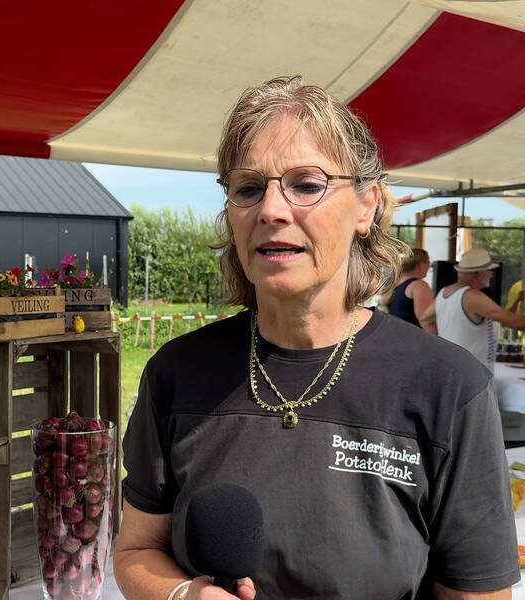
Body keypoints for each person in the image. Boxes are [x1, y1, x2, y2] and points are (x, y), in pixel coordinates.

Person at [114, 76, 518, 600]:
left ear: (366, 206)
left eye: (306, 184)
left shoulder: (447, 387)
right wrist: (182, 594)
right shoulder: (175, 373)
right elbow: (136, 551)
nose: (271, 210)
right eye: (248, 187)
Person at [420, 248, 525, 371]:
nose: (491, 275)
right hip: (471, 376)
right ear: (478, 274)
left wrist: (442, 348)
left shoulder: (444, 293)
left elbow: (425, 320)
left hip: (454, 369)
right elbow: (514, 321)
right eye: (489, 270)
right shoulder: (471, 296)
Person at [387, 248, 433, 327]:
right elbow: (426, 321)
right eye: (428, 262)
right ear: (420, 264)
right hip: (413, 336)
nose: (429, 266)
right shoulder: (419, 286)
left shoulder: (396, 284)